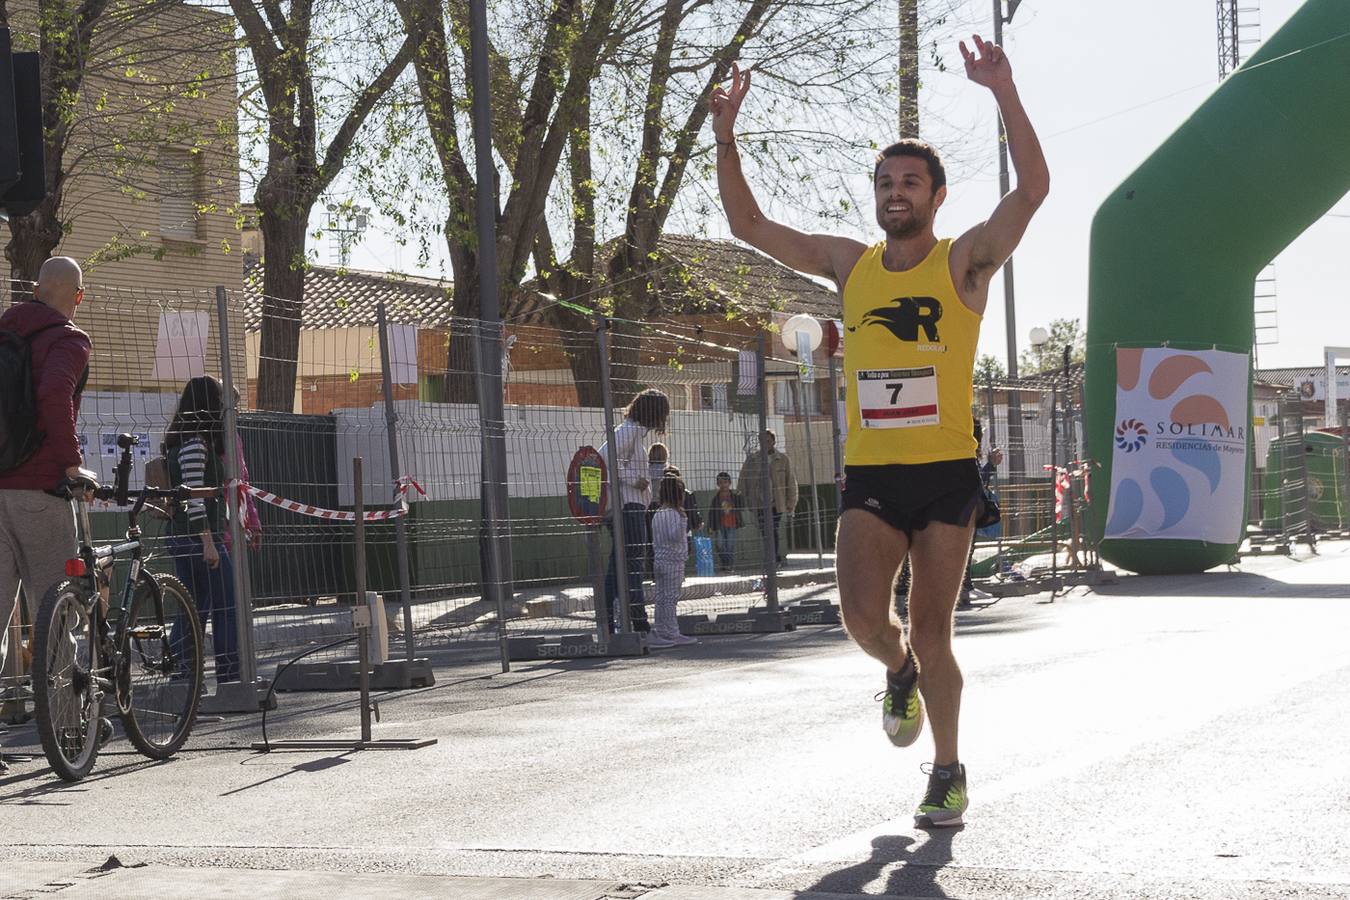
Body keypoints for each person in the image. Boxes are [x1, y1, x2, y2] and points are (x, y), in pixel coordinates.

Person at [712, 34, 1048, 827]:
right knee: (864, 618)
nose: (896, 192)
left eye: (911, 182)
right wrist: (726, 136)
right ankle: (895, 670)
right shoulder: (850, 264)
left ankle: (948, 768)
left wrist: (1002, 91)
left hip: (944, 474)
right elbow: (747, 223)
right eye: (886, 182)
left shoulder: (964, 263)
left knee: (936, 628)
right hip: (871, 475)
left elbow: (1032, 190)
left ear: (935, 196)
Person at [0, 258, 93, 773]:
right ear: (77, 296)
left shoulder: (5, 330)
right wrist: (71, 462)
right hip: (39, 489)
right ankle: (66, 729)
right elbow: (55, 395)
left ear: (36, 290)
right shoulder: (69, 340)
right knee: (54, 612)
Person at [163, 375, 240, 684]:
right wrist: (209, 542)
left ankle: (183, 672)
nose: (223, 405)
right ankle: (229, 672)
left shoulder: (185, 440)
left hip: (185, 537)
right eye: (219, 399)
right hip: (197, 538)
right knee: (226, 605)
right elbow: (193, 495)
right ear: (207, 403)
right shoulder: (195, 444)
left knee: (192, 607)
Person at [600, 388, 670, 634]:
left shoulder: (633, 433)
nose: (663, 420)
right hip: (628, 507)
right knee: (632, 565)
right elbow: (603, 458)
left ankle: (609, 622)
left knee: (618, 566)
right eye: (662, 413)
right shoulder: (628, 432)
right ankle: (639, 624)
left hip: (629, 506)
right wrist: (633, 479)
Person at [648, 472, 699, 648]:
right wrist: (683, 521)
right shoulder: (676, 515)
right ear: (679, 495)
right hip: (673, 561)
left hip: (659, 559)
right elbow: (675, 536)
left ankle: (662, 629)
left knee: (661, 597)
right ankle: (672, 632)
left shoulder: (658, 514)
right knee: (671, 597)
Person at [736, 429, 797, 566]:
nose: (765, 444)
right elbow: (743, 479)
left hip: (777, 503)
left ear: (773, 442)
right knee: (765, 531)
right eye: (762, 441)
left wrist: (791, 503)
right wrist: (744, 499)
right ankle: (773, 557)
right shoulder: (752, 459)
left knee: (772, 528)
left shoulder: (782, 459)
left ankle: (773, 558)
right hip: (759, 502)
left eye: (768, 441)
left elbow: (791, 481)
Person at [705, 471, 745, 573]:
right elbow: (712, 514)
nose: (723, 485)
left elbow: (741, 507)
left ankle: (729, 566)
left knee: (730, 545)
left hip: (731, 524)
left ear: (729, 483)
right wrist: (710, 527)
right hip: (720, 525)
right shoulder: (716, 499)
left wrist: (740, 497)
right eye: (721, 482)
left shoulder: (734, 495)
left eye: (725, 482)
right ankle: (725, 563)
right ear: (718, 484)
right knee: (720, 545)